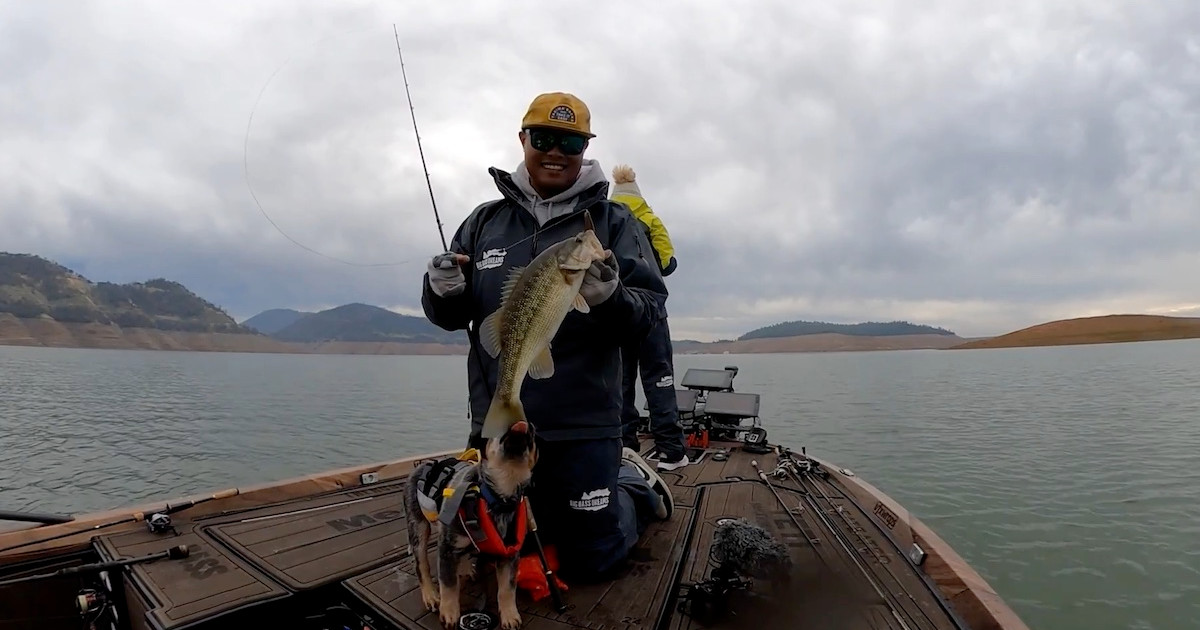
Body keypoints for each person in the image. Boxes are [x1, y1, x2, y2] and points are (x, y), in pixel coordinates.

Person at [421, 92, 675, 582]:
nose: (556, 151)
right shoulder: (483, 222)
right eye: (544, 138)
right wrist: (443, 290)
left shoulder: (615, 222)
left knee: (591, 561)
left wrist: (611, 297)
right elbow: (451, 317)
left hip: (585, 425)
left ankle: (635, 487)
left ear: (585, 149)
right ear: (523, 140)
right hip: (502, 419)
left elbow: (650, 314)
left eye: (571, 142)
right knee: (495, 550)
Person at [609, 165, 689, 470]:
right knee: (660, 380)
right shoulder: (651, 220)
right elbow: (668, 264)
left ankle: (625, 449)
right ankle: (671, 452)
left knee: (621, 384)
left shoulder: (606, 221)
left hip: (619, 312)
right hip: (652, 312)